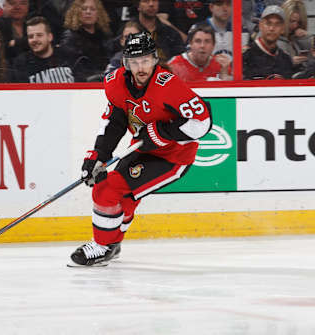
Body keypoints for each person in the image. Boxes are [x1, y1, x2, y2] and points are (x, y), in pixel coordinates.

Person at [69, 32, 211, 266]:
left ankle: (102, 246)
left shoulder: (168, 85)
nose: (141, 67)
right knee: (119, 195)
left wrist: (161, 133)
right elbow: (114, 122)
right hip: (144, 150)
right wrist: (97, 156)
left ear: (155, 59)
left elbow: (202, 121)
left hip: (173, 158)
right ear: (126, 63)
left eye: (145, 60)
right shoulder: (116, 83)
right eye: (134, 62)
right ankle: (111, 244)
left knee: (107, 190)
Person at [60, 0, 112, 82]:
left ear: (98, 14)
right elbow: (74, 68)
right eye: (84, 9)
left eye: (92, 9)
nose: (88, 12)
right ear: (76, 12)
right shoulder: (70, 38)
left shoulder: (104, 36)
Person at [12, 16, 75, 83]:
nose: (34, 40)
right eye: (31, 37)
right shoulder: (21, 62)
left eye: (39, 35)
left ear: (50, 37)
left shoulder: (68, 55)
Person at [243, 5, 293, 79]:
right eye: (268, 23)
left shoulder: (286, 59)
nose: (272, 28)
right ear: (260, 25)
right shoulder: (246, 55)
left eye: (277, 24)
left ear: (283, 28)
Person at [278, 0, 313, 73]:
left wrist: (306, 39)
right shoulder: (270, 38)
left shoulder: (297, 38)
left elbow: (310, 64)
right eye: (291, 21)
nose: (295, 25)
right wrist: (289, 62)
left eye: (299, 22)